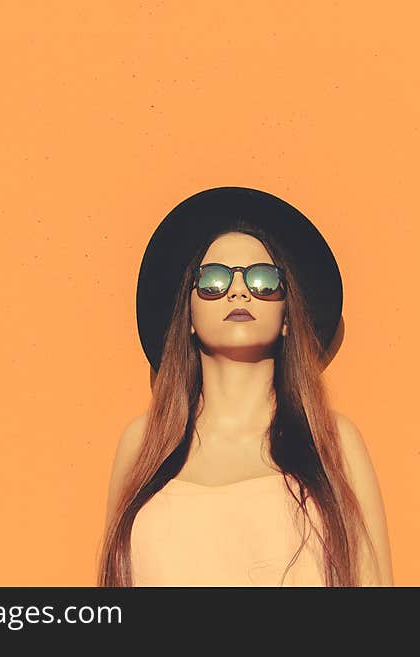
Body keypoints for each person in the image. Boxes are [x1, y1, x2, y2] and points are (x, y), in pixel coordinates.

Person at [97, 187, 394, 586]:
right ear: (188, 313)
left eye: (263, 280)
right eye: (214, 280)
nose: (239, 291)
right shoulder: (142, 444)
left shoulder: (332, 441)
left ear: (288, 316)